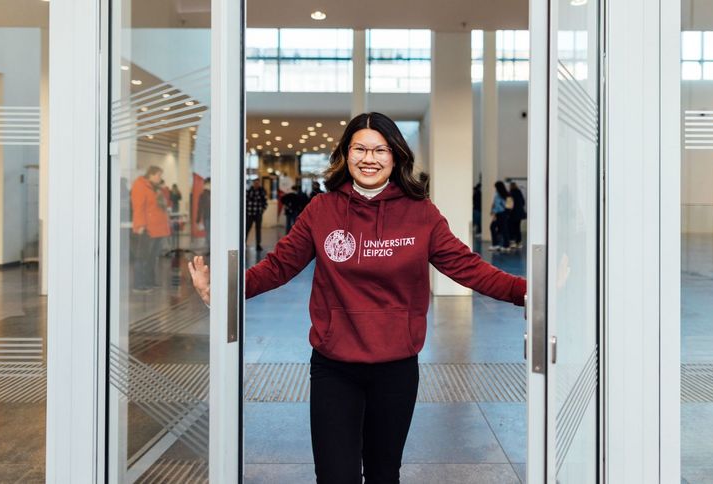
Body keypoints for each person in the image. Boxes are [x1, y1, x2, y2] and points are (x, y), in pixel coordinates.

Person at [188, 112, 526, 484]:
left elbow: (469, 267)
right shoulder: (322, 209)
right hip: (335, 367)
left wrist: (527, 293)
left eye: (380, 150)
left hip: (396, 368)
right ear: (345, 155)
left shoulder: (421, 214)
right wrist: (223, 292)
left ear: (396, 156)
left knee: (383, 473)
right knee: (336, 476)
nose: (369, 158)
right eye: (360, 148)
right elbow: (279, 265)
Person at [131, 165, 171, 290]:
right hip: (147, 228)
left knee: (152, 258)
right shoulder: (140, 185)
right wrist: (140, 225)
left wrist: (163, 191)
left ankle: (149, 282)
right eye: (158, 175)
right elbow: (138, 207)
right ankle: (139, 284)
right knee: (142, 257)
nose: (160, 178)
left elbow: (164, 205)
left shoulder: (156, 188)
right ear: (151, 174)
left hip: (157, 228)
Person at [245, 178, 268, 251]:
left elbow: (265, 202)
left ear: (259, 183)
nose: (256, 184)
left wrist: (263, 209)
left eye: (258, 183)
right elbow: (245, 200)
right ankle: (243, 242)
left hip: (258, 213)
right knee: (247, 229)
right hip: (249, 213)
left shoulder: (262, 191)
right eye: (255, 183)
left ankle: (258, 244)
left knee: (258, 229)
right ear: (253, 183)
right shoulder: (249, 190)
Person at [489, 181, 511, 252]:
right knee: (504, 229)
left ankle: (496, 245)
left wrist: (493, 213)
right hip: (504, 214)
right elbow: (508, 205)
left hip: (499, 214)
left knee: (492, 227)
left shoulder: (498, 194)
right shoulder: (507, 194)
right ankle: (506, 246)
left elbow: (497, 205)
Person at [508, 181, 527, 249]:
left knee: (511, 228)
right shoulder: (519, 193)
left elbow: (509, 205)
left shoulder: (510, 194)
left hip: (512, 214)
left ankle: (513, 242)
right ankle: (519, 242)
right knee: (517, 228)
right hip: (519, 214)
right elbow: (523, 202)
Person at [197, 178, 211, 252]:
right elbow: (200, 207)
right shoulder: (204, 194)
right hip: (207, 217)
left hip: (210, 217)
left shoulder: (206, 194)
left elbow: (200, 208)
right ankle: (210, 249)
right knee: (208, 233)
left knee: (209, 233)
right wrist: (198, 220)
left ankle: (210, 249)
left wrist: (198, 220)